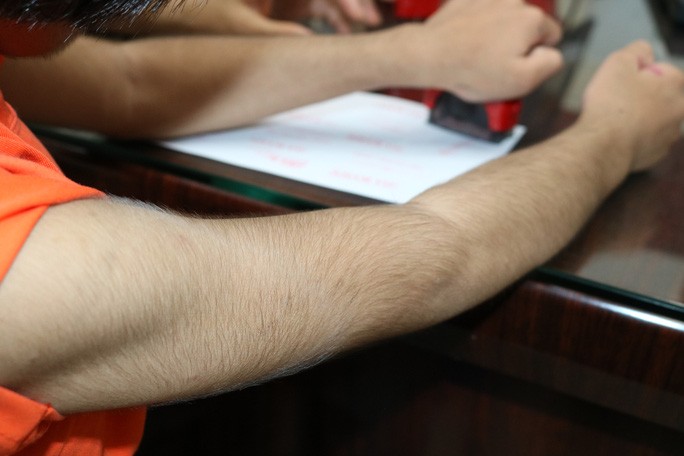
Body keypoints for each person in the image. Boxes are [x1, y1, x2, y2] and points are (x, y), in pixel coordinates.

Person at [0, 0, 683, 455]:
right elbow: (440, 246)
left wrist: (420, 50)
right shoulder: (28, 281)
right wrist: (616, 134)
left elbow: (129, 82)